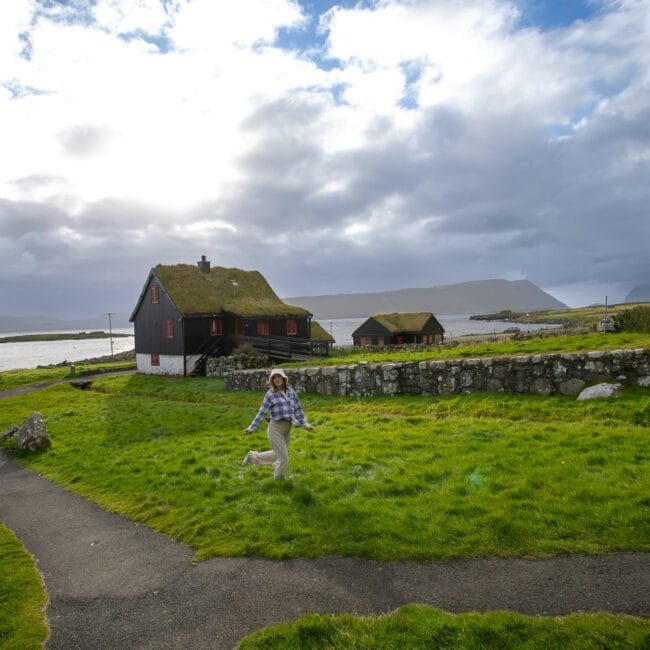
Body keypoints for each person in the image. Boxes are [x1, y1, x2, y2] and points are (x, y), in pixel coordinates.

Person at [242, 368, 314, 480]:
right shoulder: (270, 394)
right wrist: (252, 427)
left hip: (287, 428)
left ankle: (253, 456)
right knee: (284, 458)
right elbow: (262, 412)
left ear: (283, 378)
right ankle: (279, 480)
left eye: (279, 376)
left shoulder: (291, 392)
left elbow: (298, 409)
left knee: (278, 454)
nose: (277, 379)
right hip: (275, 428)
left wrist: (305, 424)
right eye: (274, 377)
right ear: (272, 380)